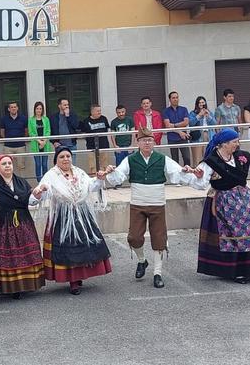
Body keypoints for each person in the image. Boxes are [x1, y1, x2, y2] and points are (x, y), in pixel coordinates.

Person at [101, 127, 194, 289]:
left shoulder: (162, 159)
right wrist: (109, 172)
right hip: (138, 204)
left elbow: (177, 173)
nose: (147, 143)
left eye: (150, 140)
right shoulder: (130, 159)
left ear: (154, 142)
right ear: (138, 142)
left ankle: (157, 273)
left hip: (157, 204)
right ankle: (142, 260)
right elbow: (118, 177)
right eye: (144, 140)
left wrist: (185, 171)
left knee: (159, 239)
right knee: (134, 238)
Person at [36, 146, 112, 295]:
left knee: (85, 247)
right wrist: (41, 190)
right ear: (56, 160)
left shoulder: (79, 172)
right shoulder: (51, 175)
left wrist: (100, 178)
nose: (65, 159)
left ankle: (80, 276)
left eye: (68, 156)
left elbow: (91, 185)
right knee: (69, 249)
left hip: (82, 215)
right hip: (63, 217)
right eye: (62, 157)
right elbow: (43, 190)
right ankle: (73, 281)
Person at [185, 130, 250, 284]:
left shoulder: (241, 156)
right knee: (230, 235)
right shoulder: (210, 161)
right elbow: (200, 184)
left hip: (243, 200)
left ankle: (246, 269)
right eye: (234, 141)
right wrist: (195, 176)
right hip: (222, 203)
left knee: (246, 233)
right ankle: (233, 271)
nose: (237, 144)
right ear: (224, 143)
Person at [0, 155, 46, 299]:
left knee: (27, 251)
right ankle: (12, 287)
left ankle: (28, 283)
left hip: (24, 221)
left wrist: (37, 195)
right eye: (4, 164)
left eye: (9, 163)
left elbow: (30, 201)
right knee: (9, 255)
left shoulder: (21, 182)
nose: (7, 166)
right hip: (4, 223)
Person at [80, 104, 111, 174]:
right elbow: (84, 133)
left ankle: (103, 183)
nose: (99, 112)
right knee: (93, 167)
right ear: (92, 112)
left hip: (104, 146)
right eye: (97, 111)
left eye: (100, 110)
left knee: (104, 166)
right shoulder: (86, 121)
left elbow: (107, 130)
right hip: (91, 147)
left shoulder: (104, 118)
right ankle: (95, 182)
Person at [163, 91, 191, 166]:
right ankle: (177, 176)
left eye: (177, 97)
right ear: (170, 99)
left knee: (187, 158)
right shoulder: (166, 111)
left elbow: (186, 122)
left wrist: (174, 125)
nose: (175, 99)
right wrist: (180, 132)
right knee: (175, 160)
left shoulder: (184, 109)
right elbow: (167, 125)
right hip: (172, 138)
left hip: (183, 138)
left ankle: (187, 175)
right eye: (173, 98)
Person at [0, 102, 28, 175]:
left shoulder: (23, 118)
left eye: (15, 107)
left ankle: (21, 185)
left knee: (21, 167)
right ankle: (9, 185)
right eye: (11, 107)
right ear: (9, 109)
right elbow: (2, 132)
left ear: (17, 108)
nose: (13, 109)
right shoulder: (4, 119)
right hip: (8, 147)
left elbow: (26, 131)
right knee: (7, 167)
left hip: (20, 146)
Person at [49, 98, 80, 163]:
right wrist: (54, 142)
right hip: (60, 145)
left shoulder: (72, 115)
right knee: (60, 165)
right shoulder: (54, 117)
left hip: (71, 144)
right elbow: (51, 131)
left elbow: (76, 126)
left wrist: (68, 116)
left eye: (67, 104)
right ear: (59, 106)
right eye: (64, 105)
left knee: (72, 165)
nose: (67, 106)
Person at [28, 101, 52, 183]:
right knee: (38, 164)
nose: (39, 110)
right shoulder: (31, 120)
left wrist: (44, 142)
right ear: (34, 109)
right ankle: (39, 182)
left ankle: (46, 181)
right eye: (37, 108)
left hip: (45, 145)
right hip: (36, 145)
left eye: (40, 109)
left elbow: (48, 131)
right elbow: (31, 132)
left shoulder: (46, 119)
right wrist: (39, 142)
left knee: (45, 164)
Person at [189, 96, 216, 164]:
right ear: (197, 104)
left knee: (208, 156)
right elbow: (191, 123)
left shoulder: (209, 112)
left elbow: (215, 124)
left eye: (203, 102)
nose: (201, 104)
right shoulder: (193, 113)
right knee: (197, 159)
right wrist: (199, 115)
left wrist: (208, 116)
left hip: (208, 135)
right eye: (199, 102)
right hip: (198, 137)